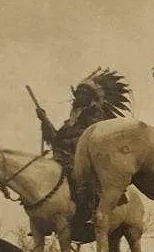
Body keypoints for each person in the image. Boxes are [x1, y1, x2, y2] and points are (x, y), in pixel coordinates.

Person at [37, 69, 130, 236]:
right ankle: (44, 217)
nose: (78, 97)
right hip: (64, 156)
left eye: (83, 93)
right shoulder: (72, 119)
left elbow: (91, 137)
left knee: (82, 180)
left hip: (85, 156)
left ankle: (91, 215)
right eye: (77, 93)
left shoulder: (96, 114)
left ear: (91, 97)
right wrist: (44, 121)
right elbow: (56, 138)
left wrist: (69, 142)